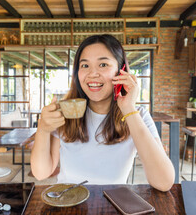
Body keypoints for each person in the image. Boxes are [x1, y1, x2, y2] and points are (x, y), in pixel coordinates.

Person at [31, 34, 175, 191]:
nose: (93, 74)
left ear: (122, 71)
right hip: (68, 204)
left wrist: (128, 109)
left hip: (112, 204)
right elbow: (41, 173)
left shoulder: (137, 115)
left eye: (103, 64)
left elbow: (164, 182)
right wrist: (43, 129)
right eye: (85, 66)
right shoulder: (66, 111)